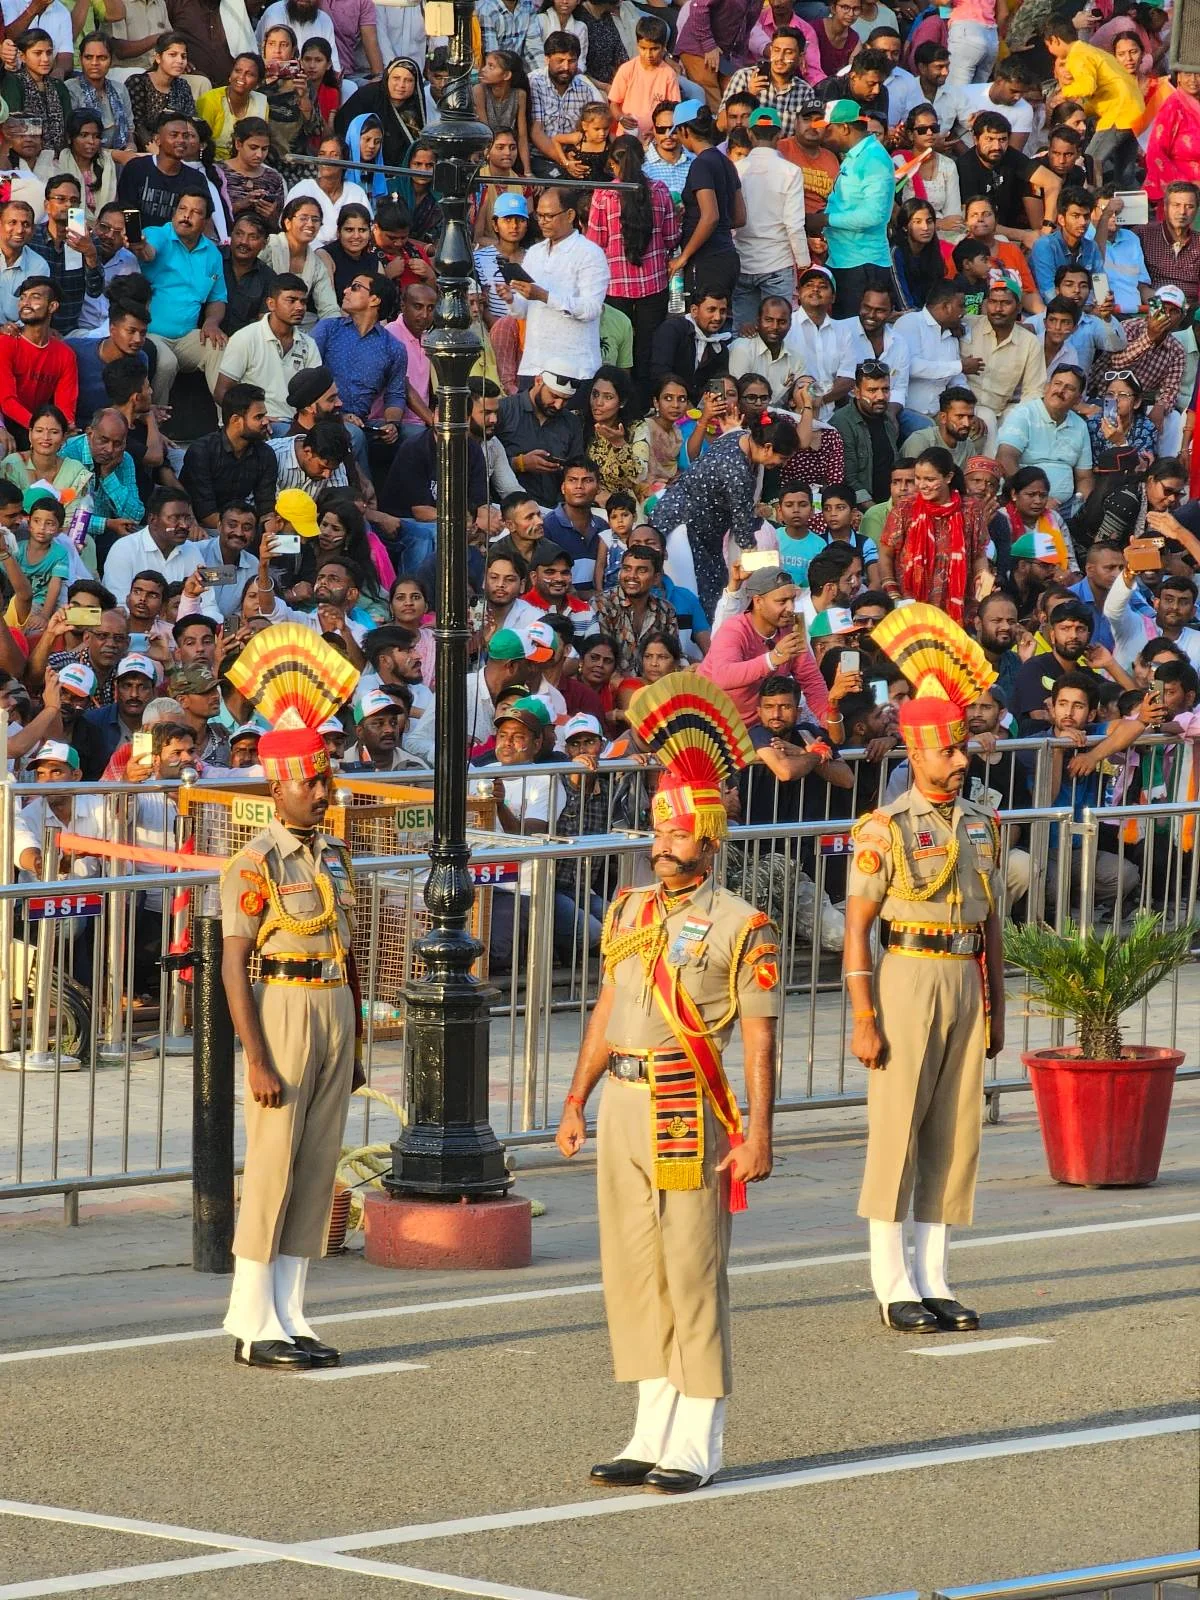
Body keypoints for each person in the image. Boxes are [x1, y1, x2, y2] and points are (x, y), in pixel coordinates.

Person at [555, 672, 779, 1493]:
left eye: (678, 837)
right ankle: (650, 1425)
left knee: (691, 1266)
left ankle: (700, 1433)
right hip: (621, 1097)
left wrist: (758, 1130)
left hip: (692, 1104)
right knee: (634, 1264)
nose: (661, 846)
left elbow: (760, 1035)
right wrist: (575, 1100)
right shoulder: (627, 910)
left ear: (710, 843)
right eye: (658, 834)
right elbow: (607, 1007)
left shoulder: (742, 924)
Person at [845, 602, 1003, 1333]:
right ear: (916, 752)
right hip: (906, 974)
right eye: (948, 751)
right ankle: (893, 1282)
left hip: (965, 977)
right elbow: (856, 932)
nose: (961, 759)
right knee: (898, 1134)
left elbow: (991, 922)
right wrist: (864, 1017)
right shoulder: (884, 828)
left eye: (962, 747)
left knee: (952, 1131)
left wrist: (996, 1002)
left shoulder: (981, 822)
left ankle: (936, 1277)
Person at [219, 627, 360, 1371]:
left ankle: (291, 1308)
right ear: (278, 786)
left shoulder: (332, 852)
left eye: (326, 780)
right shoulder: (254, 861)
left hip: (334, 1007)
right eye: (312, 783)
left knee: (316, 1165)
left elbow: (347, 947)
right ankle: (249, 1317)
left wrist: (358, 1036)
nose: (324, 791)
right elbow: (234, 965)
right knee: (272, 1165)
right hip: (281, 1007)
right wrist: (257, 1057)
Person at [650, 409, 800, 621]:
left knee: (717, 588)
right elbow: (743, 530)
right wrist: (761, 567)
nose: (782, 465)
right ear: (767, 448)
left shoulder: (739, 436)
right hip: (680, 526)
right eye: (782, 458)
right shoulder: (736, 469)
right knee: (696, 595)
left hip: (705, 530)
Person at [878, 446, 989, 625]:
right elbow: (885, 554)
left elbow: (978, 556)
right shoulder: (905, 509)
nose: (922, 485)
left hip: (959, 606)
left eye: (929, 479)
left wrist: (983, 594)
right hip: (910, 606)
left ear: (948, 477)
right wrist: (893, 594)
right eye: (918, 478)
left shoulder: (970, 509)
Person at [810, 99, 894, 316]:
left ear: (844, 128)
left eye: (828, 130)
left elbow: (874, 215)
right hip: (845, 261)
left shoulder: (874, 159)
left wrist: (826, 220)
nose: (822, 136)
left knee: (856, 337)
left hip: (862, 266)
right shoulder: (855, 157)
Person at [1042, 19, 1143, 185]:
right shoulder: (1090, 50)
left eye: (1048, 46)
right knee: (1125, 175)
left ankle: (1092, 203)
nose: (1050, 51)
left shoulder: (1077, 55)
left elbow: (1087, 87)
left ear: (1055, 40)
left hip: (1118, 114)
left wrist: (1064, 93)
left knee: (1090, 161)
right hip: (1135, 113)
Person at [213, 273, 320, 430]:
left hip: (296, 424)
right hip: (255, 425)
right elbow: (222, 392)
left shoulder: (309, 344)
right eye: (291, 300)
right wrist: (257, 418)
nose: (299, 307)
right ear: (271, 304)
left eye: (303, 302)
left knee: (352, 435)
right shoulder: (245, 337)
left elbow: (317, 393)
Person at [668, 101, 744, 308]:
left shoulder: (701, 164)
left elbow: (711, 216)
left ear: (684, 129)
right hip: (728, 256)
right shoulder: (726, 162)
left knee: (702, 325)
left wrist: (684, 257)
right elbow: (739, 217)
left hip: (706, 261)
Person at [996, 366, 1093, 514]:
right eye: (1057, 384)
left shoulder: (1080, 425)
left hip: (1065, 508)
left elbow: (1084, 477)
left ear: (1078, 400)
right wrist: (1038, 498)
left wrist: (1079, 505)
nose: (1060, 391)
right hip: (1023, 503)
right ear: (1047, 387)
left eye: (1069, 388)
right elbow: (1005, 458)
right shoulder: (1024, 414)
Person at [180, 383, 279, 525]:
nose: (266, 421)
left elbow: (266, 506)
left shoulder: (265, 454)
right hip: (199, 529)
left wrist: (269, 532)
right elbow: (205, 513)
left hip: (239, 527)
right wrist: (242, 531)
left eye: (265, 415)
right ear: (235, 420)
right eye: (258, 417)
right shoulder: (202, 451)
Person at [0, 277, 78, 443]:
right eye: (22, 297)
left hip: (41, 428)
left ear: (52, 306)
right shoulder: (6, 343)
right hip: (7, 423)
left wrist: (60, 430)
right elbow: (7, 401)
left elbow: (65, 407)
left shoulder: (65, 354)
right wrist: (42, 430)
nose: (25, 303)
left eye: (35, 297)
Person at [829, 361, 898, 511]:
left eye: (885, 389)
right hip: (861, 508)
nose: (880, 396)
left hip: (889, 502)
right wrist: (876, 512)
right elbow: (849, 478)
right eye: (872, 390)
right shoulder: (842, 422)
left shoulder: (888, 419)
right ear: (857, 392)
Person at [1143, 76, 1200, 208]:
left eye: (1198, 74)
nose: (1193, 79)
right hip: (1182, 192)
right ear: (1179, 76)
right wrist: (1186, 185)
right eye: (1187, 74)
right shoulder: (1173, 105)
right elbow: (1155, 152)